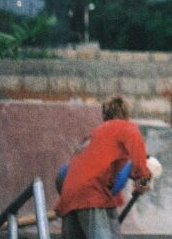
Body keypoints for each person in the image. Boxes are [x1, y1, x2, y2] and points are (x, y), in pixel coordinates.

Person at [55, 96, 153, 239]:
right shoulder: (126, 127)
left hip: (68, 193)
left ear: (104, 115)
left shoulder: (95, 135)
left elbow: (62, 175)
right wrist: (143, 177)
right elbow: (138, 150)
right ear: (126, 115)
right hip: (90, 191)